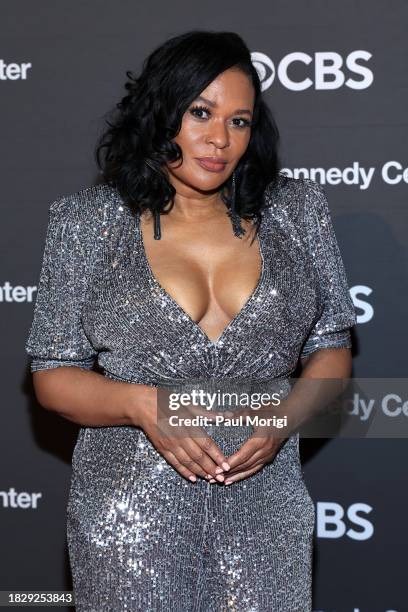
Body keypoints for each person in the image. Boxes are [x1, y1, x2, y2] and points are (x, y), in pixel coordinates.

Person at [25, 30, 356, 612]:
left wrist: (283, 419)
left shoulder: (297, 210)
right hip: (130, 514)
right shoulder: (85, 222)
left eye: (240, 121)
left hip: (265, 510)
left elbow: (331, 346)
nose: (219, 140)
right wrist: (143, 404)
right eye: (200, 112)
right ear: (160, 113)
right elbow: (53, 375)